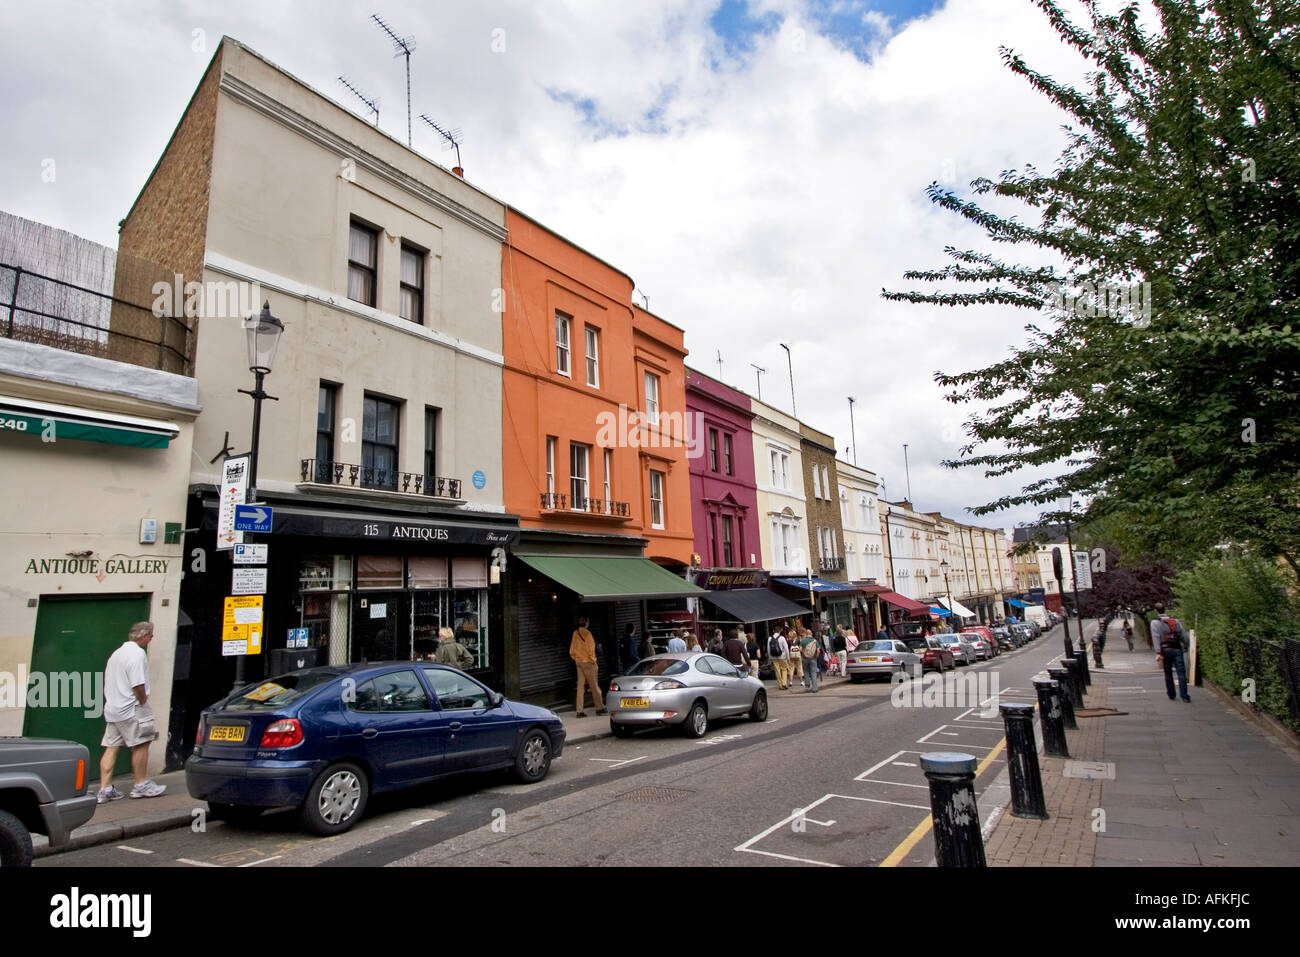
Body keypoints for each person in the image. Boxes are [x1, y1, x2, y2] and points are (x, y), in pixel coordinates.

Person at [97, 621, 166, 802]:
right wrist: (143, 700)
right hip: (132, 708)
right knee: (142, 743)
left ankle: (104, 789)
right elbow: (137, 683)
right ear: (144, 636)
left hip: (113, 709)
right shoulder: (137, 654)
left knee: (111, 747)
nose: (152, 638)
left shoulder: (116, 654)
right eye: (151, 635)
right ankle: (140, 785)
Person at [1150, 603, 1191, 702]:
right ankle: (1184, 696)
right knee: (1181, 672)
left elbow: (1156, 638)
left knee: (1168, 672)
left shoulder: (1155, 623)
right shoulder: (1175, 622)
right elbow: (1184, 636)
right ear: (1165, 610)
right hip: (1177, 648)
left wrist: (1158, 652)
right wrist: (1185, 646)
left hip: (1165, 649)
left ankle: (1171, 694)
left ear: (1156, 611)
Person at [570, 616, 606, 717]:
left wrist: (577, 658)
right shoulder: (588, 634)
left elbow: (571, 650)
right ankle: (600, 708)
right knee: (594, 686)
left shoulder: (575, 633)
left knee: (580, 687)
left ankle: (579, 711)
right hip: (588, 662)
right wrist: (593, 660)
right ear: (586, 624)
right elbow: (591, 650)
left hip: (579, 662)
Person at [798, 627, 821, 692]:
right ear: (811, 634)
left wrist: (804, 654)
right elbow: (818, 651)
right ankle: (814, 688)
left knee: (806, 671)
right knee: (813, 673)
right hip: (813, 658)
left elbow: (800, 649)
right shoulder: (815, 641)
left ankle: (807, 683)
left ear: (806, 634)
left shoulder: (803, 641)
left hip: (805, 658)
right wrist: (816, 656)